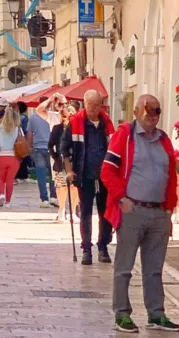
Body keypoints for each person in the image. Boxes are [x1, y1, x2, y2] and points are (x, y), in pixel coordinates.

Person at [101, 94, 179, 334]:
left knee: (154, 268)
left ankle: (156, 314)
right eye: (148, 110)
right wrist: (122, 200)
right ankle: (122, 314)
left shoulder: (164, 139)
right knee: (124, 266)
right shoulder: (125, 135)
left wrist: (169, 209)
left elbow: (171, 176)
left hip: (158, 212)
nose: (152, 116)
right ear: (136, 111)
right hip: (132, 210)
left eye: (156, 111)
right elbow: (107, 171)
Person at [62, 88, 115, 265]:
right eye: (91, 105)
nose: (94, 109)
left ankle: (103, 247)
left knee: (105, 213)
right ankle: (86, 249)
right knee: (85, 212)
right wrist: (69, 170)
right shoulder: (75, 122)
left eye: (97, 105)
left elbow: (115, 148)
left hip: (105, 176)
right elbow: (64, 148)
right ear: (85, 104)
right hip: (84, 174)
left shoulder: (107, 124)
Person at [27, 95, 60, 207]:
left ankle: (44, 199)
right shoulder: (54, 116)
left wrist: (29, 146)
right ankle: (53, 196)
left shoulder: (33, 117)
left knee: (41, 173)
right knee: (53, 173)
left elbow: (30, 134)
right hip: (52, 148)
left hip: (38, 147)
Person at [49, 104, 79, 222]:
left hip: (75, 162)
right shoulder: (57, 128)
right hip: (60, 163)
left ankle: (73, 212)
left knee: (74, 188)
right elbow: (50, 145)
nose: (63, 117)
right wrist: (55, 157)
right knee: (61, 187)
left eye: (66, 115)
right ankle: (61, 210)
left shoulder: (77, 129)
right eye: (62, 115)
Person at [0, 104, 24, 208]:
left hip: (1, 156)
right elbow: (22, 141)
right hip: (14, 157)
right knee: (10, 180)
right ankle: (8, 202)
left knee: (0, 178)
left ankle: (1, 195)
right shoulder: (18, 129)